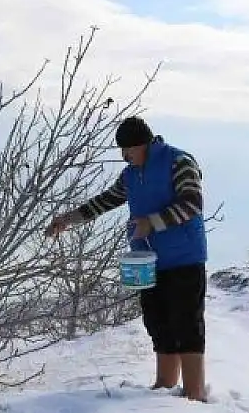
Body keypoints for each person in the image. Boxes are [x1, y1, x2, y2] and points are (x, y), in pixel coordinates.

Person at [46, 115, 208, 402]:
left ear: (142, 143)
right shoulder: (131, 175)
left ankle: (195, 395)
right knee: (159, 324)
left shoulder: (178, 161)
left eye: (127, 150)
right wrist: (68, 219)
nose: (124, 156)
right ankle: (165, 391)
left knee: (187, 324)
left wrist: (152, 222)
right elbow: (106, 201)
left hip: (184, 256)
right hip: (148, 260)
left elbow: (192, 203)